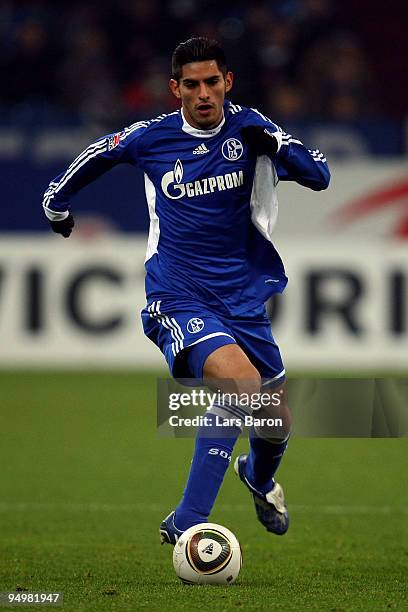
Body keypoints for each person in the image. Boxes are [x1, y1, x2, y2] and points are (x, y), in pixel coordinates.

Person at [43, 37, 330, 544]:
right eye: (191, 85)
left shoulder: (250, 127)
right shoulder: (152, 138)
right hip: (177, 295)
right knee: (241, 387)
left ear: (228, 83)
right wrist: (56, 203)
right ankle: (187, 520)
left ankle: (259, 477)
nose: (203, 94)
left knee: (275, 420)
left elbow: (320, 176)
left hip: (242, 300)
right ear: (175, 89)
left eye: (212, 83)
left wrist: (276, 140)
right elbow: (99, 153)